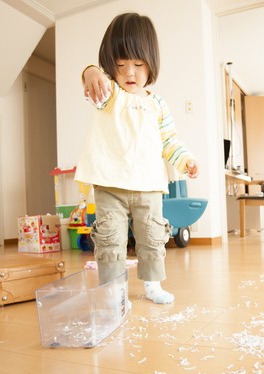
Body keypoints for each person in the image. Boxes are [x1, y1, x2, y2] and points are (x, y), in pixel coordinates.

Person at [75, 12, 199, 305]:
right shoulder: (109, 93)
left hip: (148, 185)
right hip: (110, 183)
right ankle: (113, 289)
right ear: (110, 64)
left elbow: (170, 141)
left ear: (151, 63)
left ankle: (152, 284)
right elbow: (92, 82)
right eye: (120, 65)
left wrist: (186, 160)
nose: (129, 72)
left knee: (152, 236)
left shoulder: (157, 104)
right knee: (110, 238)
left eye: (138, 64)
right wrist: (90, 71)